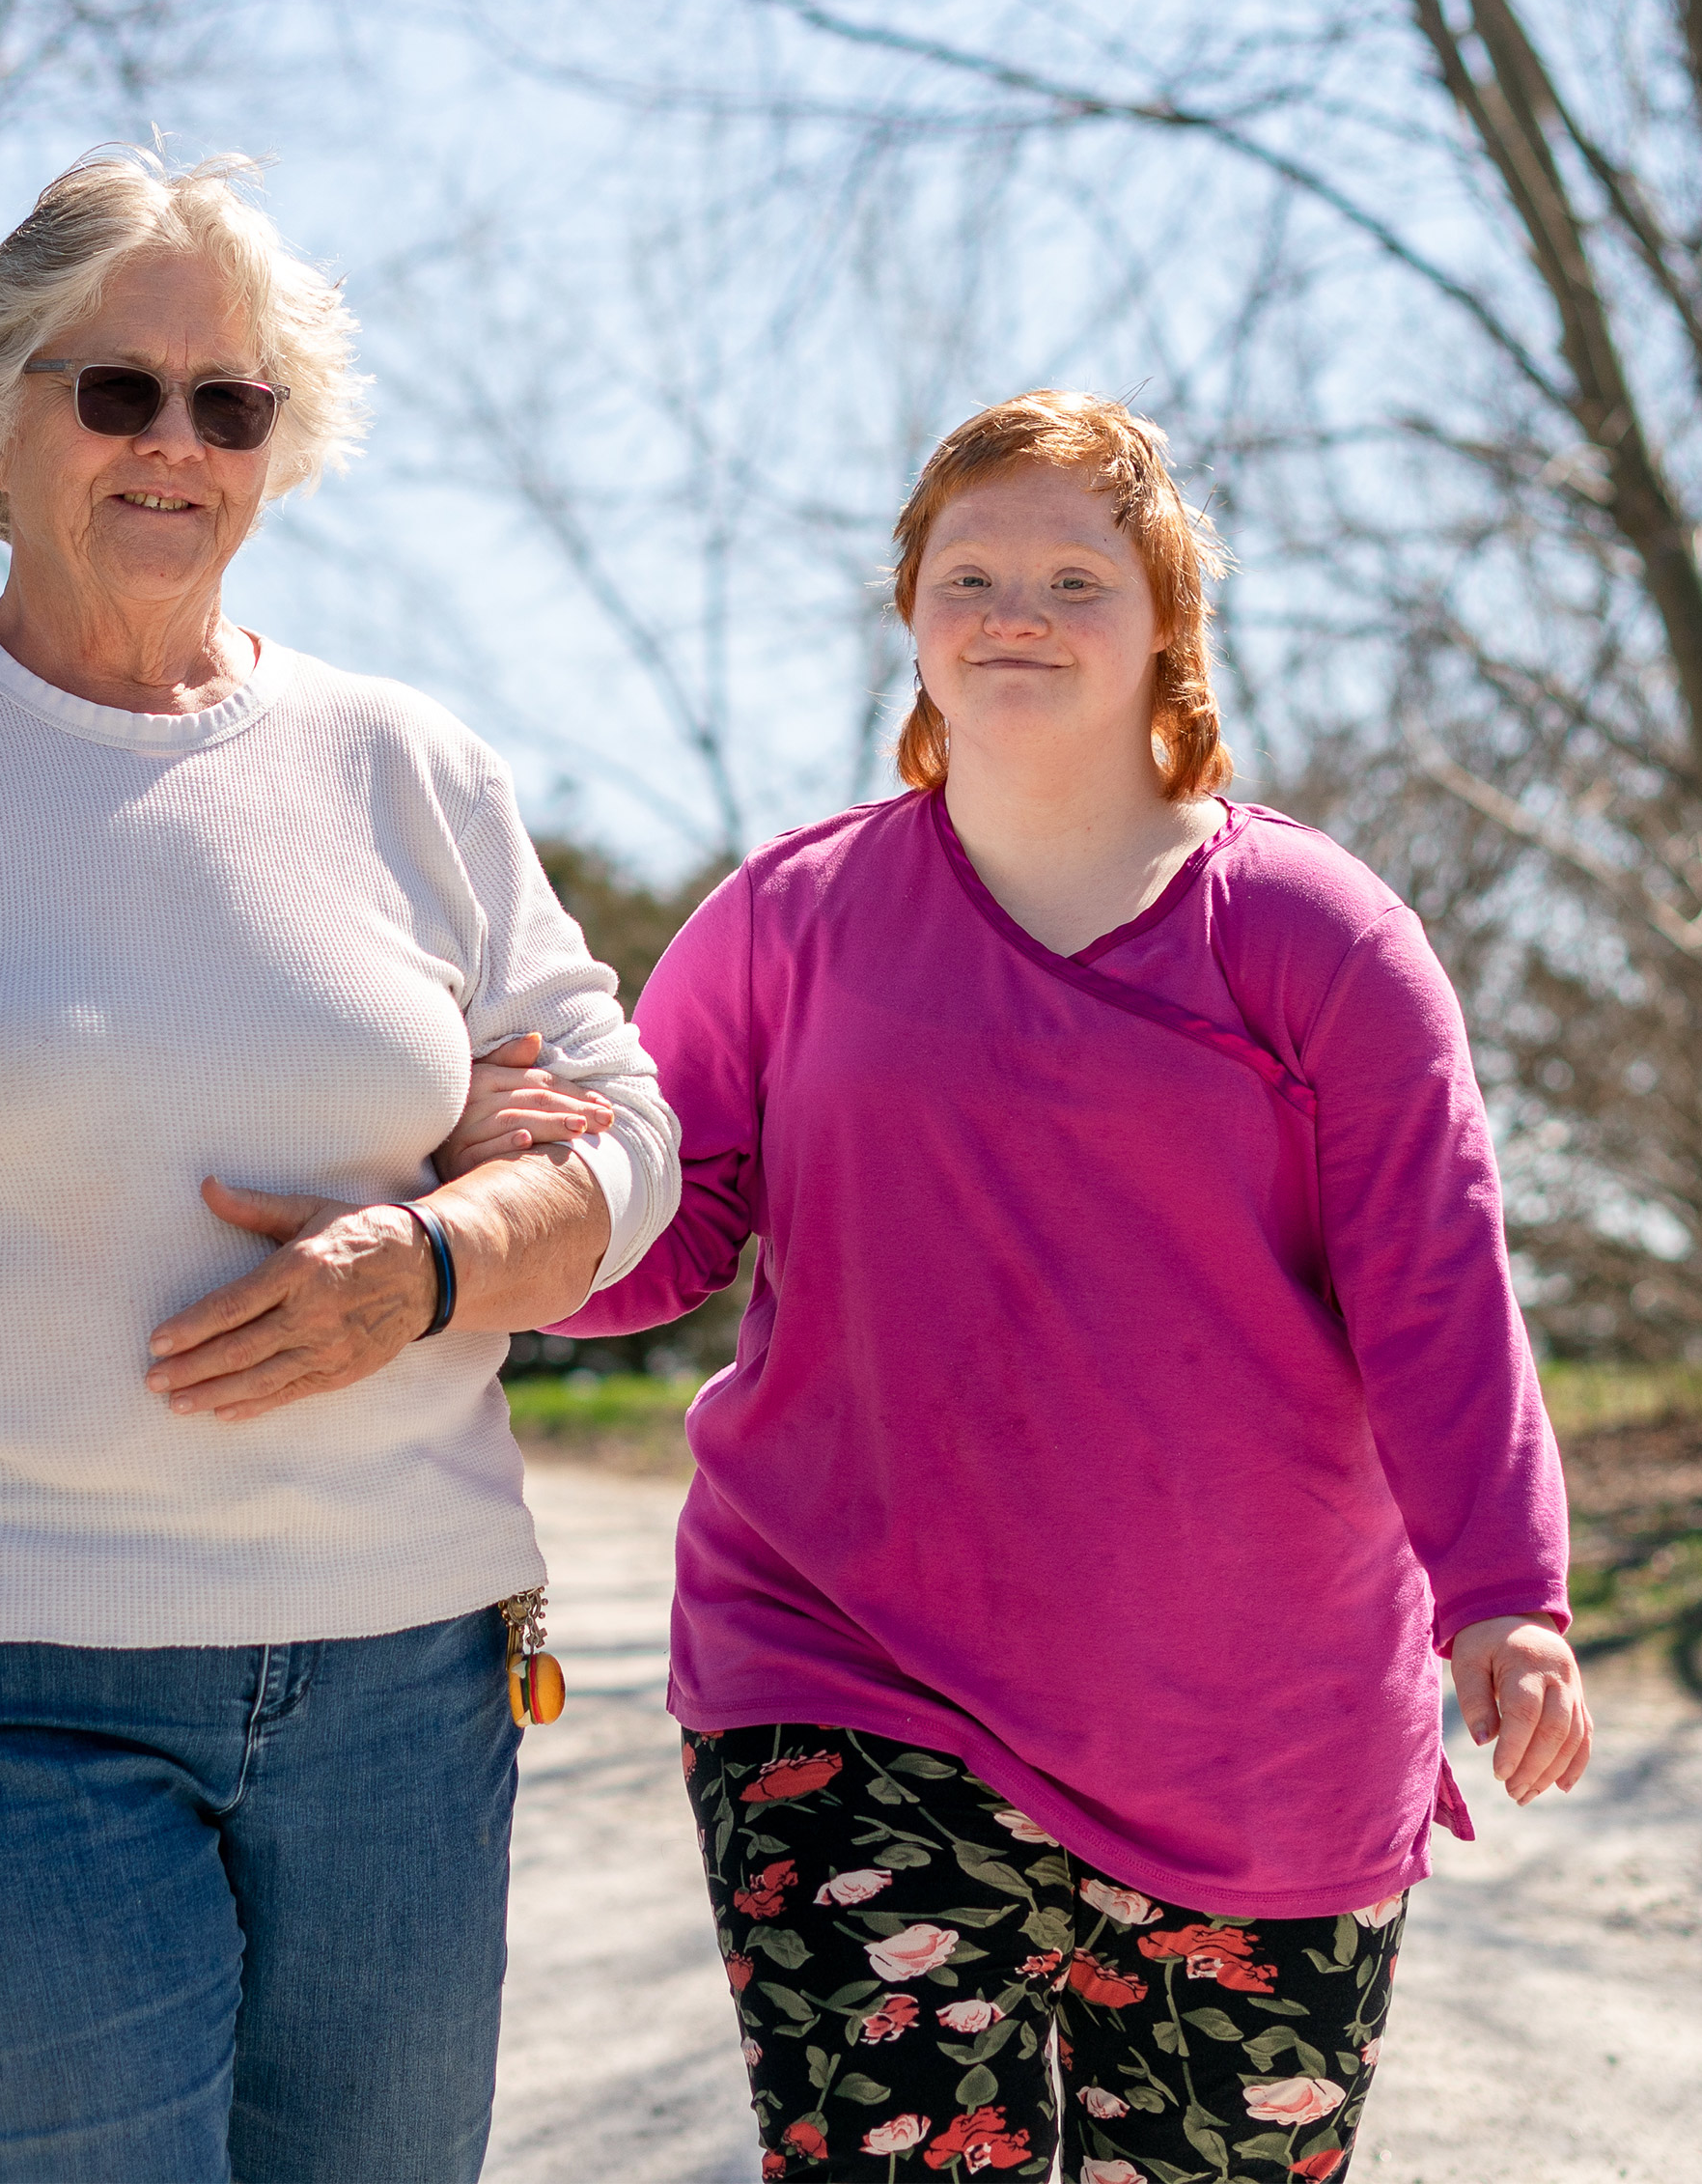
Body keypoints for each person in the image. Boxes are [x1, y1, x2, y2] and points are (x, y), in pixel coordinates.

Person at [0, 148, 680, 2184]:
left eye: (231, 401)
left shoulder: (410, 769)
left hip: (400, 1666)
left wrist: (434, 1255)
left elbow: (625, 1140)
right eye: (117, 390)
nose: (175, 444)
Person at [511, 391, 1587, 2182]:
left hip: (1260, 1730)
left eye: (1076, 577)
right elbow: (664, 1228)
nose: (1016, 610)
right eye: (972, 572)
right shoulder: (792, 918)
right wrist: (496, 1224)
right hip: (847, 1669)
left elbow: (1436, 1291)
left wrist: (1506, 1590)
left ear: (1170, 620)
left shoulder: (1316, 937)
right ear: (913, 615)